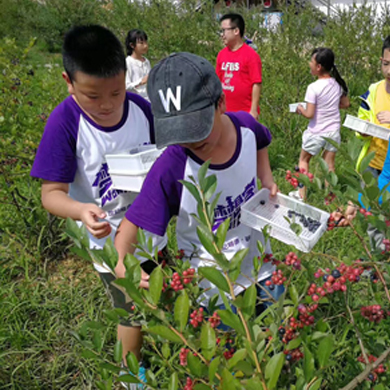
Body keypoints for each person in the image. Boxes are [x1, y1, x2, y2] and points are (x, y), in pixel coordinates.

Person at [30, 25, 165, 389]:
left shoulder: (140, 109)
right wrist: (80, 210)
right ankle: (130, 377)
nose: (106, 104)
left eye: (116, 92)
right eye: (92, 95)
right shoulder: (65, 122)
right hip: (107, 238)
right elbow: (51, 193)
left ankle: (177, 350)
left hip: (153, 227)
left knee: (164, 290)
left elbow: (166, 159)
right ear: (68, 82)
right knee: (130, 310)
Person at [115, 52, 282, 319]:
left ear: (221, 103)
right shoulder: (172, 167)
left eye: (197, 127)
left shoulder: (246, 127)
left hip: (261, 265)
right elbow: (133, 222)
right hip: (213, 286)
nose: (191, 141)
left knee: (278, 329)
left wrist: (267, 178)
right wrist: (122, 262)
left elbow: (261, 143)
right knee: (231, 348)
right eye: (178, 133)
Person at [292, 48, 350, 200]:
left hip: (316, 132)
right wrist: (328, 105)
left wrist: (300, 109)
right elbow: (345, 103)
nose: (309, 63)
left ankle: (301, 194)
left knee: (304, 160)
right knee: (329, 165)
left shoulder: (313, 88)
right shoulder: (337, 84)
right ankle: (329, 199)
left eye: (311, 61)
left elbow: (309, 114)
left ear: (318, 67)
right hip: (333, 131)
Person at [215, 13, 262, 120]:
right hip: (224, 114)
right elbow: (217, 82)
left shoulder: (251, 55)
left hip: (244, 114)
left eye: (224, 30)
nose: (222, 35)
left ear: (236, 31)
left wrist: (253, 110)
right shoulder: (221, 55)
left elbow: (256, 83)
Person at [355, 36, 390, 178]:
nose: (389, 71)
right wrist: (363, 130)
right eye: (386, 64)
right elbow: (362, 118)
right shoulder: (373, 91)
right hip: (372, 164)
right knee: (367, 199)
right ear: (381, 61)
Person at [125, 29, 151, 101]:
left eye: (146, 42)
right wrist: (141, 82)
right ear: (132, 45)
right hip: (135, 100)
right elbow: (126, 86)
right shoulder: (128, 62)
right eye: (141, 43)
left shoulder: (146, 62)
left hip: (149, 100)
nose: (145, 45)